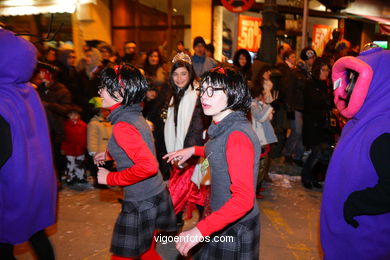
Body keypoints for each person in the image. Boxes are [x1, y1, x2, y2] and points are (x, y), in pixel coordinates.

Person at [164, 65, 261, 259]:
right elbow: (221, 151)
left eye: (213, 91)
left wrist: (200, 230)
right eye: (203, 89)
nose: (204, 96)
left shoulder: (237, 135)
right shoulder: (224, 125)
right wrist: (193, 150)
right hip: (222, 217)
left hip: (235, 225)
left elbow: (243, 199)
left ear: (232, 94)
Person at [94, 64, 177, 259]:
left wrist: (111, 178)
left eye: (105, 86)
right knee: (147, 250)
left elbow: (148, 166)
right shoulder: (133, 114)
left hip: (140, 200)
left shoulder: (123, 124)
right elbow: (137, 145)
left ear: (121, 93)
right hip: (154, 194)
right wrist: (108, 154)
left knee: (123, 256)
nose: (100, 91)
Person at [320, 46, 390, 259]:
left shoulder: (383, 131)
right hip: (344, 237)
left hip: (363, 241)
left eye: (354, 81)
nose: (348, 87)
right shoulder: (361, 120)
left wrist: (355, 204)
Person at [0, 28, 56, 260]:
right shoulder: (27, 91)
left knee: (3, 242)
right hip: (38, 177)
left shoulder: (2, 99)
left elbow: (3, 150)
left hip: (11, 184)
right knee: (37, 234)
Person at [164, 53, 208, 227]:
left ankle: (201, 230)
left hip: (193, 156)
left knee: (191, 193)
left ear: (190, 73)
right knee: (196, 194)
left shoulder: (196, 94)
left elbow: (197, 127)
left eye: (183, 74)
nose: (179, 78)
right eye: (175, 74)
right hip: (182, 155)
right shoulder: (177, 95)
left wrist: (187, 155)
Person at [301, 58, 334, 189]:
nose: (327, 72)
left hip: (322, 125)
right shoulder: (310, 84)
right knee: (315, 153)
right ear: (317, 70)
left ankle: (314, 178)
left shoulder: (325, 85)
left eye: (327, 70)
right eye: (324, 70)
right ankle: (306, 177)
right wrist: (326, 101)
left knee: (322, 153)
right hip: (312, 124)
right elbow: (313, 102)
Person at [87, 97, 113, 188]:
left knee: (108, 167)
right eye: (104, 111)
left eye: (107, 111)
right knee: (99, 168)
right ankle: (99, 183)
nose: (107, 113)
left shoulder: (110, 123)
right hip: (99, 151)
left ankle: (106, 181)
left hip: (108, 151)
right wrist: (93, 151)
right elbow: (91, 138)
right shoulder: (94, 123)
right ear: (99, 112)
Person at [61, 107, 88, 187]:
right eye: (71, 114)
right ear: (68, 115)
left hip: (80, 148)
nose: (74, 116)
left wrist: (86, 146)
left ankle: (80, 177)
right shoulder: (65, 125)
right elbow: (63, 137)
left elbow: (86, 136)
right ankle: (70, 178)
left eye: (76, 114)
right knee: (70, 164)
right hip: (70, 148)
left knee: (80, 164)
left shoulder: (83, 125)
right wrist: (63, 148)